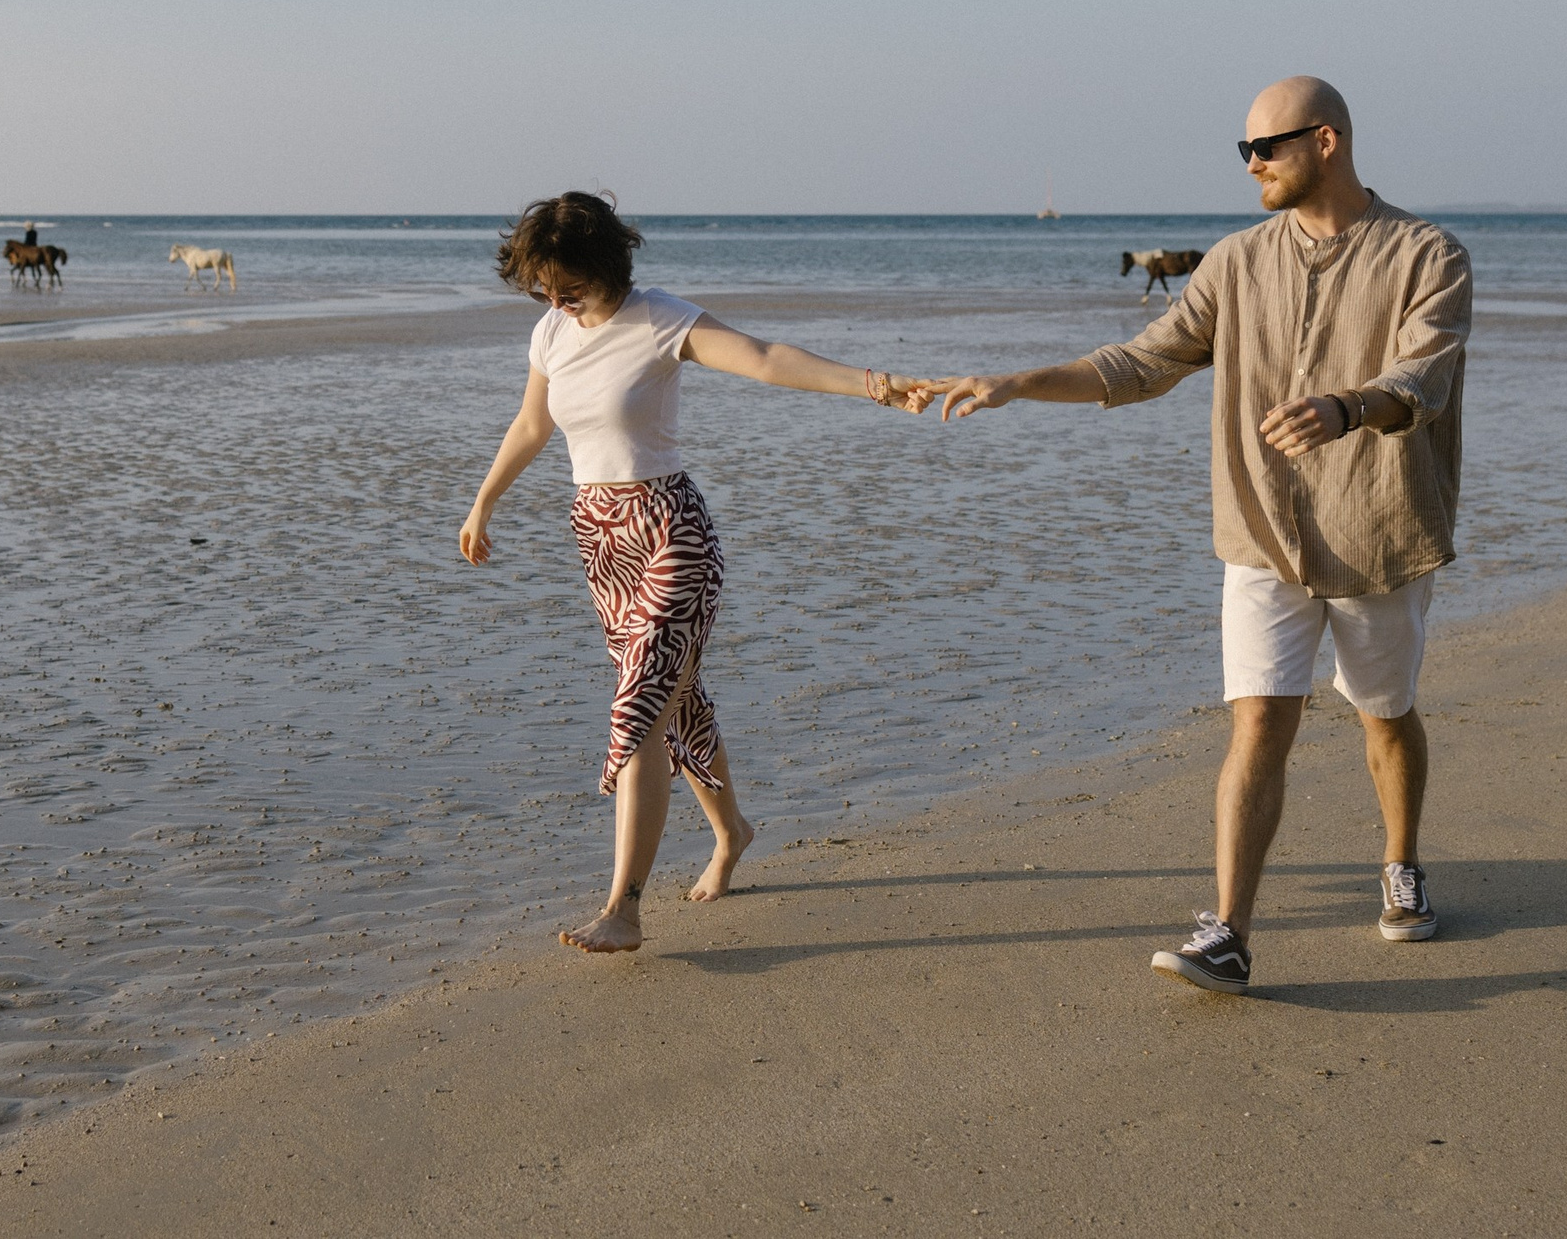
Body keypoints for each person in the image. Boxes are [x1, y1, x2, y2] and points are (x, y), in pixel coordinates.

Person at [925, 77, 1470, 993]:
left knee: (1383, 712)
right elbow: (1144, 361)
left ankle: (1402, 860)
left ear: (1327, 140)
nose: (1252, 163)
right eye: (1243, 150)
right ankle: (1231, 933)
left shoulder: (1426, 252)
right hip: (1260, 527)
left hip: (1377, 525)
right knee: (1258, 719)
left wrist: (1346, 407)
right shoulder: (1235, 261)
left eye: (1268, 146)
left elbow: (1427, 372)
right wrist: (1022, 380)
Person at [459, 192, 933, 954]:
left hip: (672, 533)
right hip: (601, 541)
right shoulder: (552, 330)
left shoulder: (660, 319)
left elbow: (766, 358)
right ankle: (732, 831)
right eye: (541, 286)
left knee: (638, 706)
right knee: (677, 704)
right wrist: (484, 502)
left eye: (566, 283)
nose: (553, 299)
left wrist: (874, 383)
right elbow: (532, 423)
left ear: (604, 264)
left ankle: (624, 906)